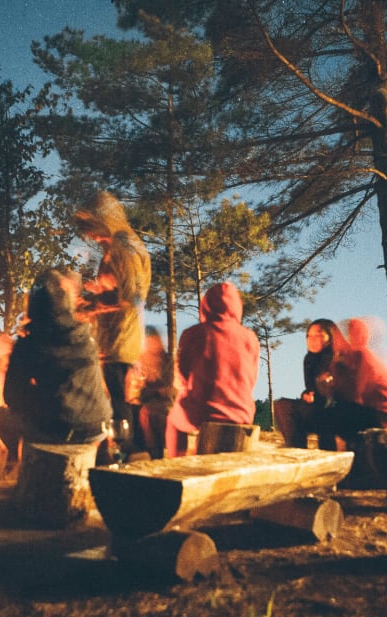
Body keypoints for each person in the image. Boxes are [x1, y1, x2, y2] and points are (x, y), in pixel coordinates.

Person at [0, 268, 113, 459]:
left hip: (61, 430)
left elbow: (12, 396)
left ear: (33, 302)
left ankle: (20, 465)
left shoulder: (30, 342)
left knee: (0, 416)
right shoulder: (84, 335)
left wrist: (41, 400)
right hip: (98, 426)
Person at [72, 190, 151, 441]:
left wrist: (92, 306)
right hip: (114, 342)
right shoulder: (118, 246)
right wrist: (96, 293)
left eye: (90, 227)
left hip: (121, 343)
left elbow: (132, 297)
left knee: (120, 407)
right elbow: (119, 288)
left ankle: (125, 457)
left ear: (103, 219)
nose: (89, 235)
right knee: (118, 404)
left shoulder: (124, 246)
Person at [166, 282, 260, 457]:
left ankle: (176, 461)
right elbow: (252, 378)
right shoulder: (250, 337)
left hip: (204, 411)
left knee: (173, 420)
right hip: (242, 412)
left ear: (206, 306)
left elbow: (183, 374)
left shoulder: (193, 333)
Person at [312, 317, 387, 450]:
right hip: (366, 411)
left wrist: (333, 389)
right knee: (325, 415)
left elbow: (355, 395)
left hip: (384, 416)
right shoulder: (339, 360)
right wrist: (326, 387)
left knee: (328, 417)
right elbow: (336, 395)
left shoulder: (362, 356)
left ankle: (336, 455)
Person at [273, 319, 337, 449]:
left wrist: (327, 387)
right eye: (309, 336)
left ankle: (329, 451)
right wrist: (307, 394)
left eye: (318, 335)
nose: (311, 340)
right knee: (282, 405)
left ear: (330, 337)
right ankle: (296, 449)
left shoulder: (338, 358)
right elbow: (310, 387)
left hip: (336, 413)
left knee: (327, 412)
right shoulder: (309, 359)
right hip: (316, 409)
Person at [126, 326, 177, 459]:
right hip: (144, 399)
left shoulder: (167, 361)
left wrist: (155, 389)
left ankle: (154, 452)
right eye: (147, 341)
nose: (150, 345)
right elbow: (136, 383)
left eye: (153, 341)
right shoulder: (140, 359)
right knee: (131, 409)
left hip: (162, 402)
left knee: (147, 413)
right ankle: (134, 450)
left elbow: (169, 388)